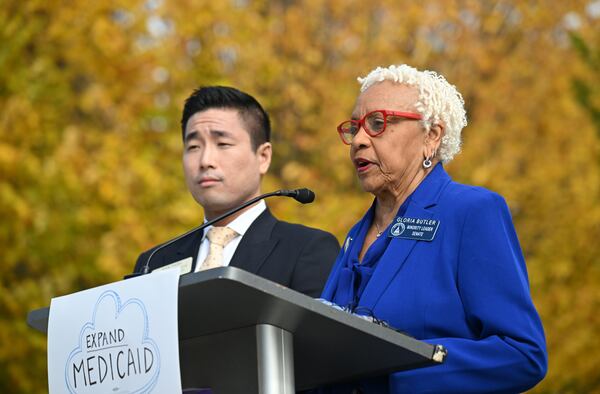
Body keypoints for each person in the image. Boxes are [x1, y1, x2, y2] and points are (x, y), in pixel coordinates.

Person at [318, 65, 547, 392]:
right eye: (354, 127)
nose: (358, 140)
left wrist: (392, 373)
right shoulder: (355, 235)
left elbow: (522, 354)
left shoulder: (470, 212)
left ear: (431, 136)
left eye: (378, 123)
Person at [134, 86, 339, 297]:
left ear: (263, 157)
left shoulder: (306, 250)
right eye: (194, 147)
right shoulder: (155, 262)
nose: (205, 161)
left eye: (222, 144)